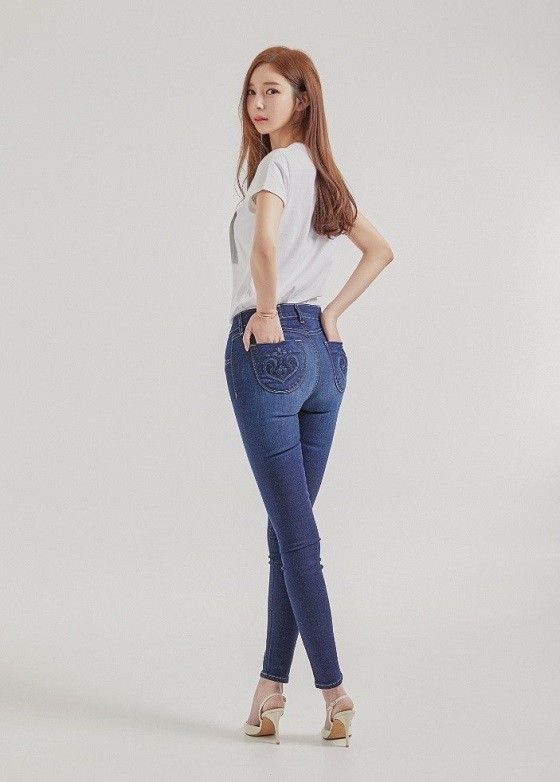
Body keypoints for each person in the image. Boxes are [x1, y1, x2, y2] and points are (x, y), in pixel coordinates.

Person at [224, 46, 394, 746]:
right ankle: (270, 688)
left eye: (272, 91)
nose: (257, 104)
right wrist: (330, 314)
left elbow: (264, 247)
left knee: (295, 536)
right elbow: (379, 250)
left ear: (302, 100)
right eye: (251, 92)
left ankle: (333, 691)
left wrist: (267, 312)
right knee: (286, 532)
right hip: (324, 359)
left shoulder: (277, 169)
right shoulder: (324, 177)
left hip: (270, 352)